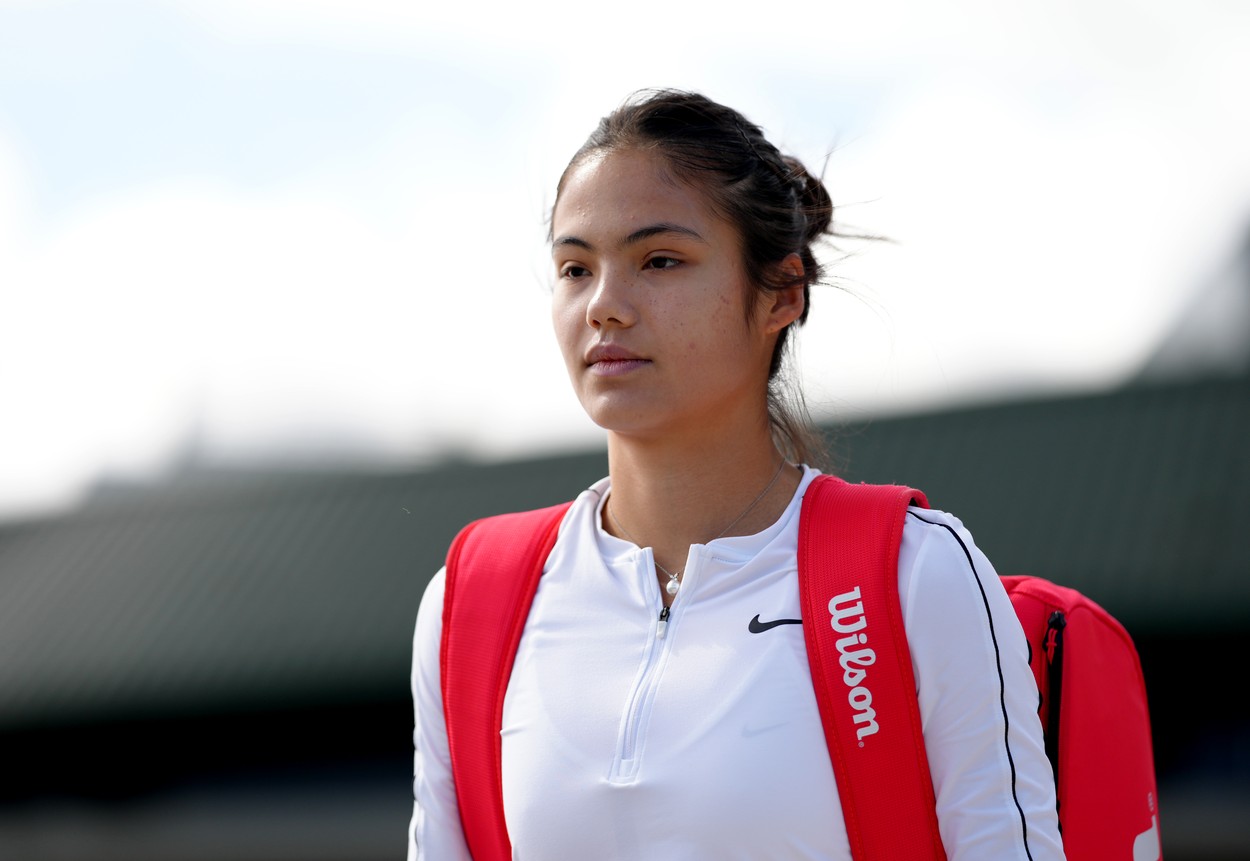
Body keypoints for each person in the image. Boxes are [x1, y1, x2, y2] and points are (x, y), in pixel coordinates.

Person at [407, 88, 1066, 860]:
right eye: (575, 267)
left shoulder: (915, 573)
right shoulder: (471, 599)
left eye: (659, 260)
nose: (604, 306)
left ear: (781, 293)